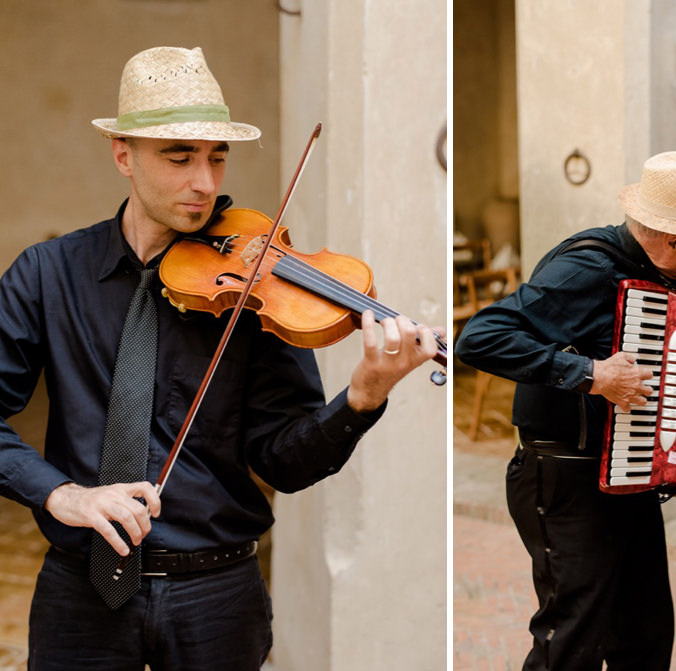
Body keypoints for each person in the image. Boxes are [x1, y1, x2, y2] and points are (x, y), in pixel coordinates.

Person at [0, 46, 441, 670]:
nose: (205, 183)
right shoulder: (47, 276)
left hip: (216, 594)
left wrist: (363, 398)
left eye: (217, 157)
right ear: (123, 154)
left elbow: (284, 463)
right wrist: (62, 494)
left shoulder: (260, 285)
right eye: (179, 158)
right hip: (81, 589)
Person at [456, 150, 676, 671]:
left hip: (625, 479)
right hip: (564, 480)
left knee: (644, 638)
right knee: (570, 647)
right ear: (671, 238)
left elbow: (661, 379)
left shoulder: (653, 274)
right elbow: (481, 338)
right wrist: (592, 376)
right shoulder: (587, 268)